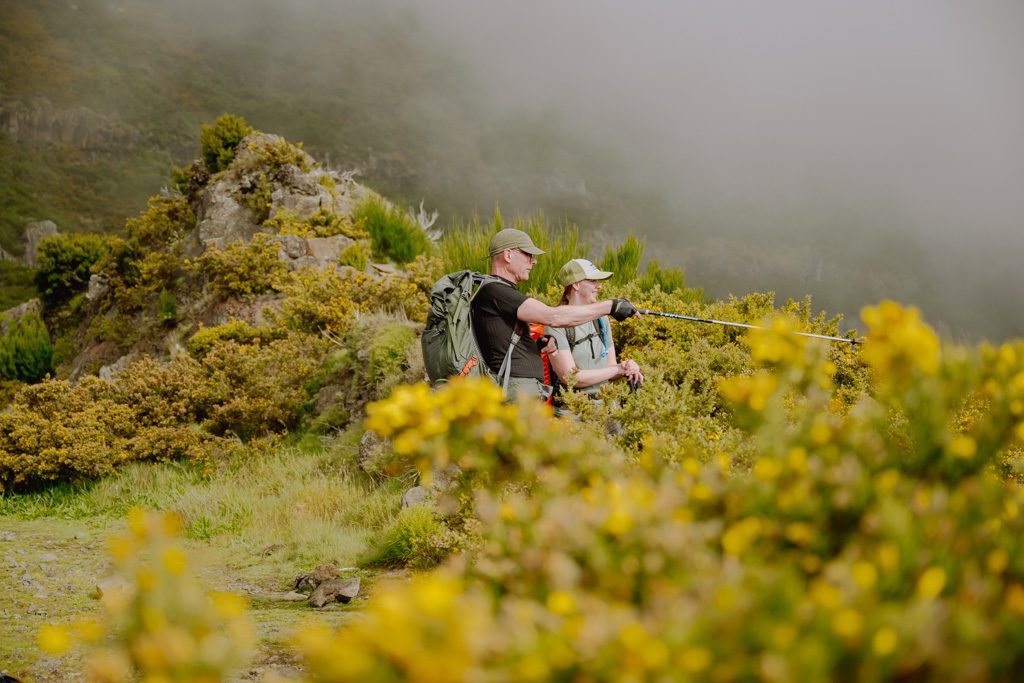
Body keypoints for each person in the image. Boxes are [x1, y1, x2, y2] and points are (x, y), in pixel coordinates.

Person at [470, 228, 640, 401]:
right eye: (529, 255)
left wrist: (538, 345)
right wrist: (611, 306)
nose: (534, 261)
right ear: (508, 255)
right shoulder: (495, 291)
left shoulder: (501, 292)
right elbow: (554, 317)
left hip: (521, 391)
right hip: (515, 393)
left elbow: (499, 343)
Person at [547, 259, 644, 412]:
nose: (599, 286)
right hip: (574, 414)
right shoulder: (555, 326)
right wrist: (617, 370)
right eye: (593, 281)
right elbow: (571, 378)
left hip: (606, 406)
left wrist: (626, 367)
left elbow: (610, 368)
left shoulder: (601, 319)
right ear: (576, 285)